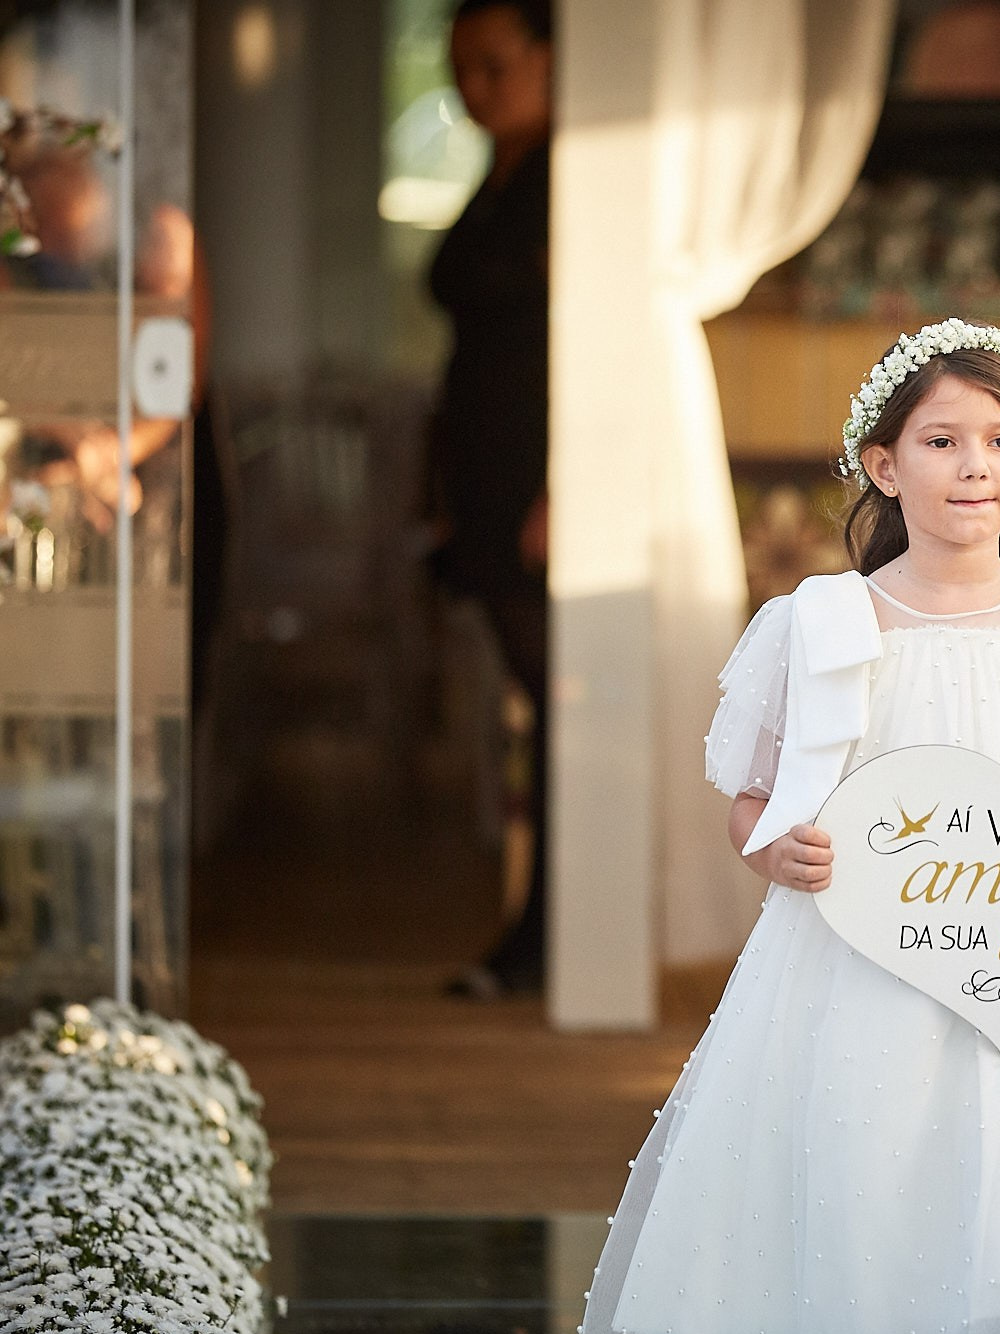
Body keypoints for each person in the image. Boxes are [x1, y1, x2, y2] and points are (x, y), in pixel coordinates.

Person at [576, 320, 1000, 1334]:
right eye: (940, 442)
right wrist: (774, 850)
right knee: (880, 1199)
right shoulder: (821, 624)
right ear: (882, 466)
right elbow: (753, 798)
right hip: (864, 971)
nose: (971, 466)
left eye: (996, 439)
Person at [427, 0, 555, 998]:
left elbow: (574, 345)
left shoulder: (567, 177)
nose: (474, 88)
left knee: (559, 701)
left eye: (494, 66)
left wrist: (565, 483)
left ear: (549, 61)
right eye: (460, 69)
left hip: (531, 472)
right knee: (534, 699)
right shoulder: (502, 172)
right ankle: (533, 926)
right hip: (483, 462)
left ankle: (546, 930)